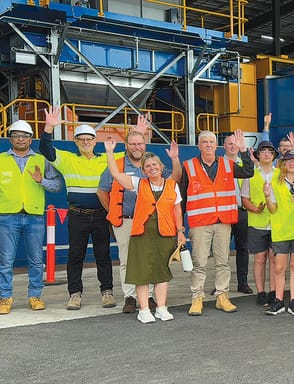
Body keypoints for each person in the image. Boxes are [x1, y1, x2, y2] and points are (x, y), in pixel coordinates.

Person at [98, 118, 180, 313]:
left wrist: (175, 158)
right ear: (126, 145)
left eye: (140, 143)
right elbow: (102, 190)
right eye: (133, 143)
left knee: (150, 259)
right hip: (126, 221)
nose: (136, 147)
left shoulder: (153, 164)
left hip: (152, 222)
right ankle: (130, 297)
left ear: (145, 145)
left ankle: (150, 296)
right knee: (127, 260)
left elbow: (174, 180)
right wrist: (114, 211)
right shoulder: (117, 164)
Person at [40, 106, 116, 310]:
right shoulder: (67, 159)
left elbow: (137, 153)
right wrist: (48, 127)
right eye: (81, 139)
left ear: (95, 141)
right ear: (76, 142)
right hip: (77, 216)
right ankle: (75, 294)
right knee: (75, 256)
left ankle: (107, 292)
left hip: (101, 216)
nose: (85, 142)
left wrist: (141, 132)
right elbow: (45, 150)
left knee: (103, 255)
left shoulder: (108, 159)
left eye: (89, 138)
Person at [180, 129, 254, 316]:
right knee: (199, 263)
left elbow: (247, 171)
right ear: (199, 146)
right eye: (205, 142)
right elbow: (181, 198)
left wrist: (243, 149)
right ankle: (197, 298)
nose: (209, 145)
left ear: (216, 145)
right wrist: (179, 227)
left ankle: (222, 296)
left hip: (222, 222)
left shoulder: (227, 164)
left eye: (212, 142)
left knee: (223, 262)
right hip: (199, 223)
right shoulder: (188, 166)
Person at [0, 120, 62, 314]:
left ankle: (35, 296)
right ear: (10, 138)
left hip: (34, 217)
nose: (20, 139)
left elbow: (57, 185)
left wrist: (41, 180)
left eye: (24, 136)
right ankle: (4, 298)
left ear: (30, 139)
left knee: (35, 260)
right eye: (16, 136)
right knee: (6, 261)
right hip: (7, 217)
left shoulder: (41, 161)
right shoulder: (1, 159)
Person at [262, 150, 294, 316]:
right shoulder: (276, 182)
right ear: (283, 164)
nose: (291, 163)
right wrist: (267, 196)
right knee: (279, 267)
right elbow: (272, 208)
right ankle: (278, 301)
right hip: (282, 229)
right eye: (288, 160)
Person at [240, 140, 278, 307]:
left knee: (275, 258)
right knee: (260, 258)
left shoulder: (280, 174)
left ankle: (274, 291)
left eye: (270, 151)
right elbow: (244, 198)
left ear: (274, 155)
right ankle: (261, 292)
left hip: (277, 222)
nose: (266, 154)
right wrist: (255, 209)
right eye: (263, 151)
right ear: (257, 155)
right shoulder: (251, 174)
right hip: (257, 222)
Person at [222, 133, 253, 294]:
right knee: (221, 250)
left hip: (241, 212)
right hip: (224, 213)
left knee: (243, 248)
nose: (232, 146)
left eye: (235, 144)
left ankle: (243, 283)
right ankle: (221, 285)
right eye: (229, 143)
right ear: (224, 146)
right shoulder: (219, 164)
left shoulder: (245, 164)